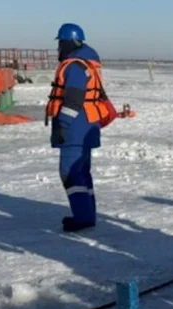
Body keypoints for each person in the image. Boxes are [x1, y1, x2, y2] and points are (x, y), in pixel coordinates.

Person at [45, 23, 115, 232]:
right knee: (82, 172)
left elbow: (73, 101)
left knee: (71, 172)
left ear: (69, 43)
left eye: (61, 43)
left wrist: (63, 126)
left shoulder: (75, 66)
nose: (59, 48)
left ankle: (82, 217)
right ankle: (86, 214)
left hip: (75, 127)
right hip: (86, 125)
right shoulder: (86, 63)